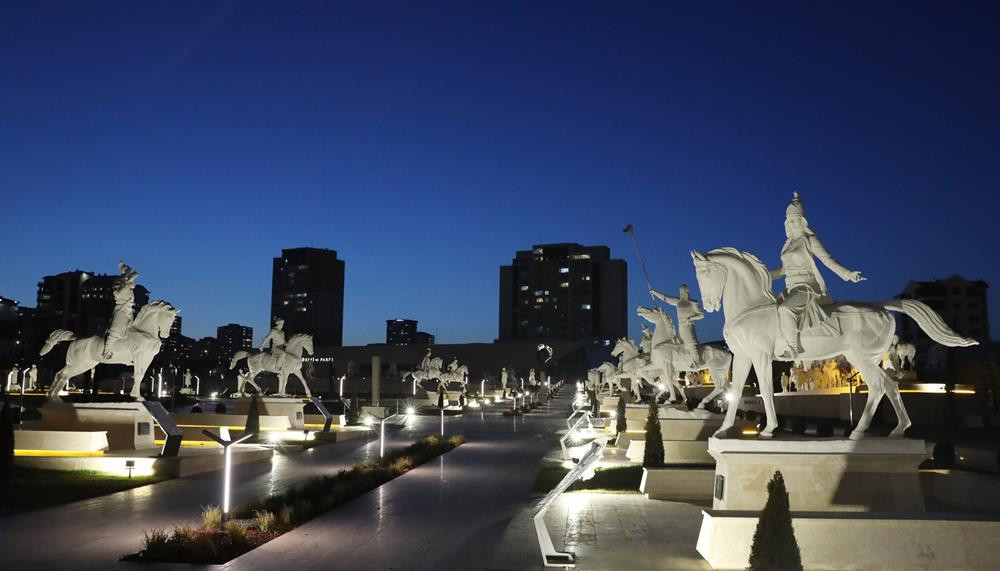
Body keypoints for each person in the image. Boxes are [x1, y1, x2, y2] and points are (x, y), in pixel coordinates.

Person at [770, 193, 865, 359]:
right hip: (790, 288)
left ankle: (793, 347)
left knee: (785, 309)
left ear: (802, 221)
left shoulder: (810, 240)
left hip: (806, 287)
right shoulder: (787, 245)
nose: (792, 223)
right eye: (790, 221)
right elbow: (783, 270)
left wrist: (847, 274)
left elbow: (827, 260)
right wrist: (762, 275)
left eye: (795, 220)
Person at [651, 285, 704, 368]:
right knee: (680, 343)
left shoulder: (693, 302)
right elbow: (665, 298)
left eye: (683, 291)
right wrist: (654, 292)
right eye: (680, 292)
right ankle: (683, 362)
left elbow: (701, 315)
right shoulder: (677, 301)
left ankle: (696, 362)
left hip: (688, 326)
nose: (681, 293)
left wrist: (691, 318)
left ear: (687, 292)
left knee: (691, 344)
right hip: (681, 326)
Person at [103, 261, 139, 358]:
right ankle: (106, 351)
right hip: (121, 311)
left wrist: (129, 280)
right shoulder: (118, 286)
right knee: (115, 330)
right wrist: (128, 281)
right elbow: (120, 292)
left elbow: (130, 285)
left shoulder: (128, 287)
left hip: (129, 312)